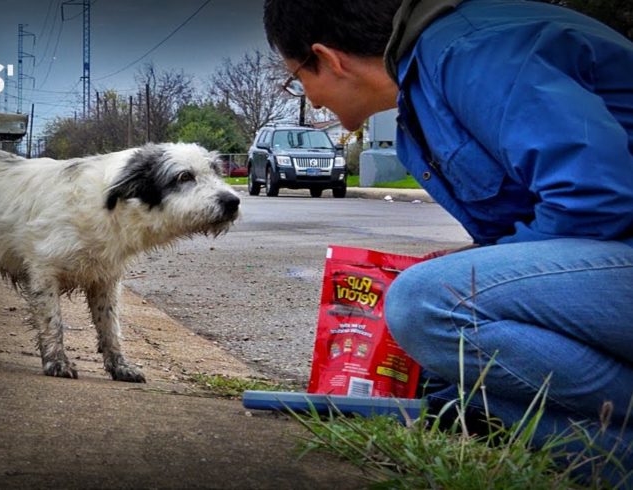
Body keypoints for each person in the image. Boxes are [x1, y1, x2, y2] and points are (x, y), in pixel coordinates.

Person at [264, 0, 633, 482]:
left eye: (297, 79)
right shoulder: (424, 90)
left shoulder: (472, 50)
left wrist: (451, 279)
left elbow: (597, 199)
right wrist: (470, 262)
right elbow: (541, 236)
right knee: (445, 375)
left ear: (328, 58)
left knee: (426, 304)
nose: (310, 100)